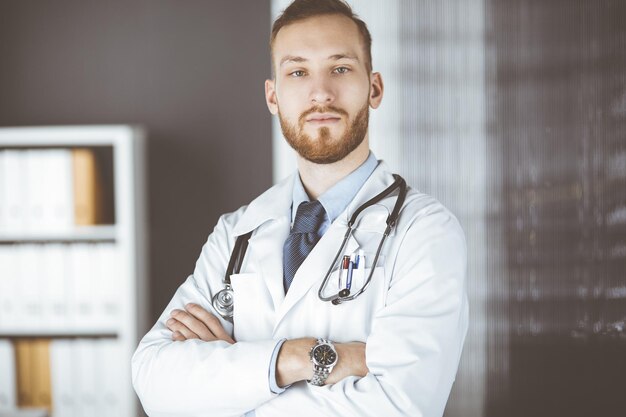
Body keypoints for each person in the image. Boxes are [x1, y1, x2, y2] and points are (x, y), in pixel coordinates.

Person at [131, 0, 468, 416]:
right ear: (273, 96)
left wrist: (234, 381)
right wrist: (296, 359)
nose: (321, 92)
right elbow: (155, 383)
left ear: (374, 88)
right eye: (298, 72)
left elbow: (398, 406)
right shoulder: (237, 233)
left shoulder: (425, 232)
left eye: (340, 68)